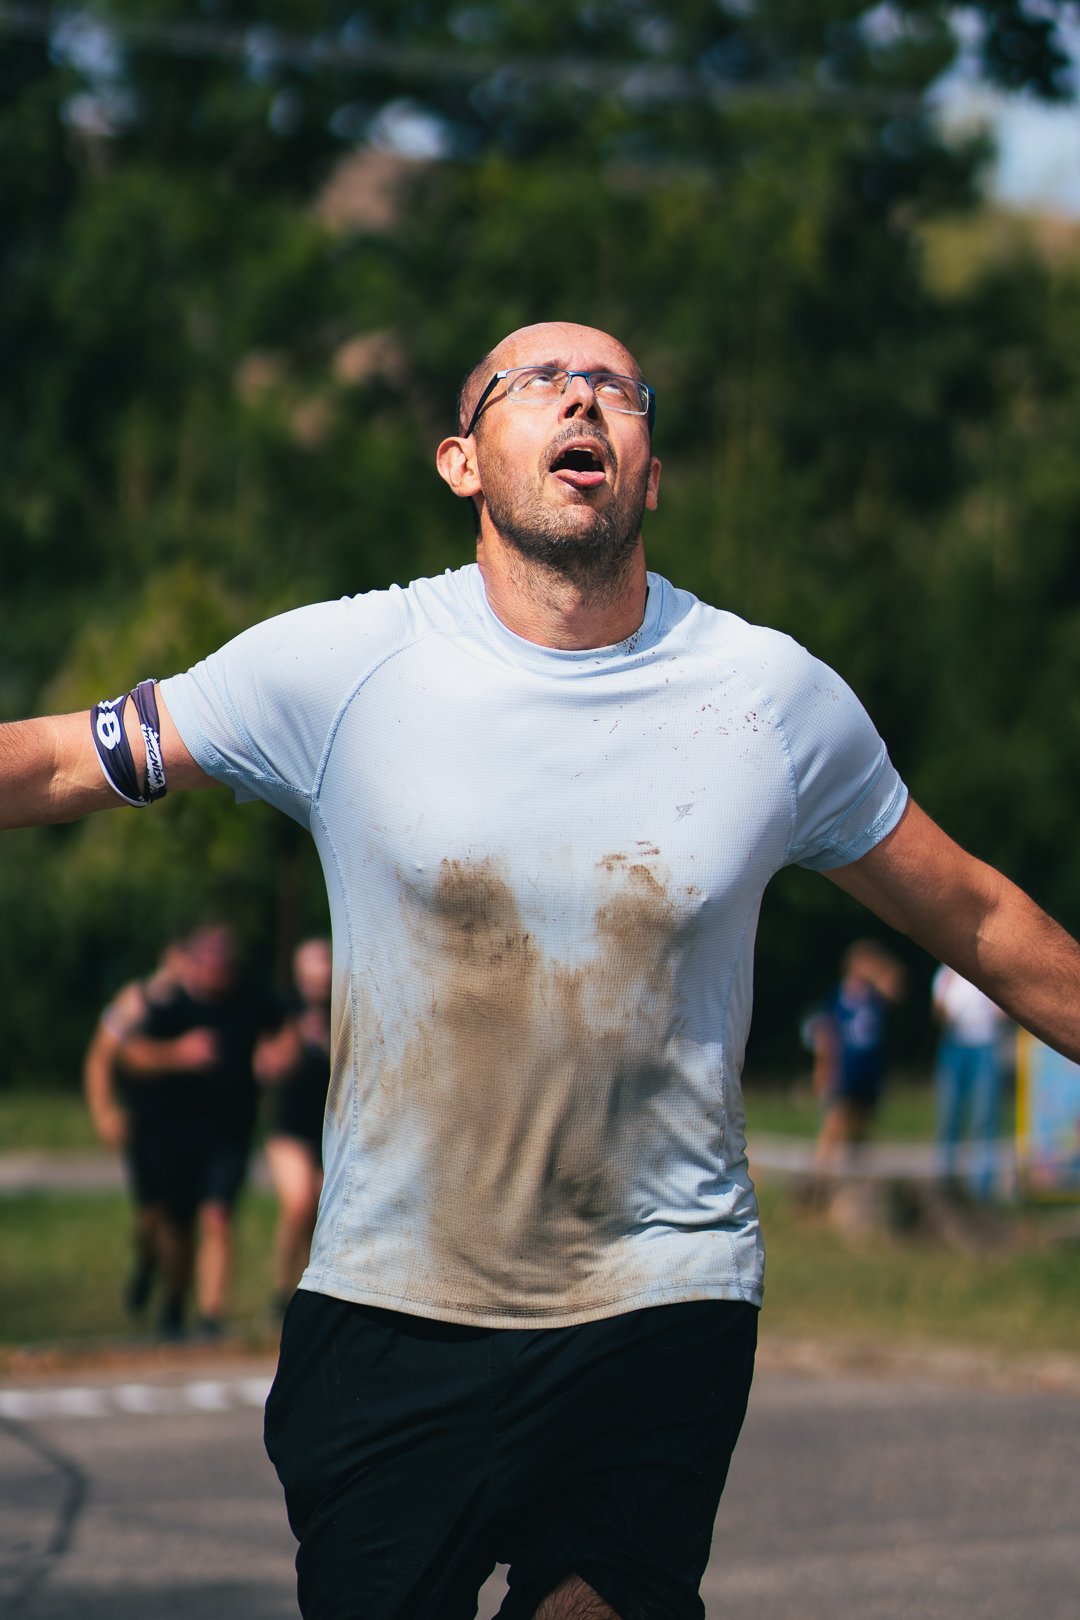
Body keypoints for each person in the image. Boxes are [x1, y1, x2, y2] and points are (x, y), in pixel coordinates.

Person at [4, 319, 1080, 1620]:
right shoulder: (341, 669)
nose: (585, 399)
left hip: (657, 1292)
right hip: (393, 1300)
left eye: (618, 389)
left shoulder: (768, 699)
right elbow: (66, 758)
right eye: (542, 382)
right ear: (462, 460)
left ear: (650, 471)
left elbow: (976, 916)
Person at [116, 923, 282, 1339]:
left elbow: (287, 1027)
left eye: (222, 961)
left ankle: (210, 1316)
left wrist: (276, 1056)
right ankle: (172, 1302)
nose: (216, 969)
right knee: (175, 1225)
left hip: (230, 1130)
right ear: (193, 962)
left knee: (217, 1216)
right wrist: (177, 1053)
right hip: (174, 1132)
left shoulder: (251, 998)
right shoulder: (168, 1006)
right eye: (207, 961)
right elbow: (130, 1055)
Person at [82, 940, 186, 1316]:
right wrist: (104, 1111)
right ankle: (146, 1263)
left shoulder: (211, 999)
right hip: (147, 1121)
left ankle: (176, 1307)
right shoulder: (136, 1001)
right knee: (152, 1213)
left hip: (191, 1125)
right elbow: (101, 1056)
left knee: (183, 1216)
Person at [255, 936, 333, 1318]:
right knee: (299, 1201)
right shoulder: (283, 1008)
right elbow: (266, 1065)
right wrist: (296, 1039)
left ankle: (311, 1291)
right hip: (290, 1126)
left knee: (322, 1210)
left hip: (331, 1127)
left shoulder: (347, 1007)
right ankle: (279, 1290)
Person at [810, 939, 905, 1168]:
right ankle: (818, 1176)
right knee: (836, 1120)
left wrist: (877, 969)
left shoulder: (874, 994)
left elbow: (896, 985)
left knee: (862, 1125)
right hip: (844, 1067)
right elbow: (826, 1033)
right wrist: (822, 1069)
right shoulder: (839, 995)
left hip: (869, 1068)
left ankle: (855, 1175)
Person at [931, 963, 1012, 1201]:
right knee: (949, 1116)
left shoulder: (989, 971)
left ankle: (982, 1191)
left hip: (986, 1044)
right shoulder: (945, 974)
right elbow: (938, 1014)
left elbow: (1005, 1011)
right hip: (954, 1044)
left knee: (985, 1117)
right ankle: (946, 1186)